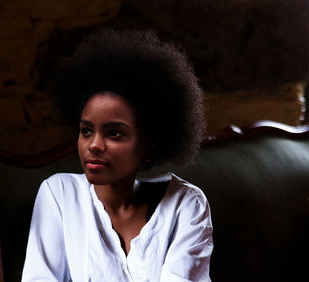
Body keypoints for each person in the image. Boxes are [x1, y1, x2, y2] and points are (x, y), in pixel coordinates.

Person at [22, 30, 213, 282]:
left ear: (149, 147)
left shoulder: (186, 205)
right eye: (86, 131)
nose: (94, 145)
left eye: (114, 133)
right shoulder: (58, 195)